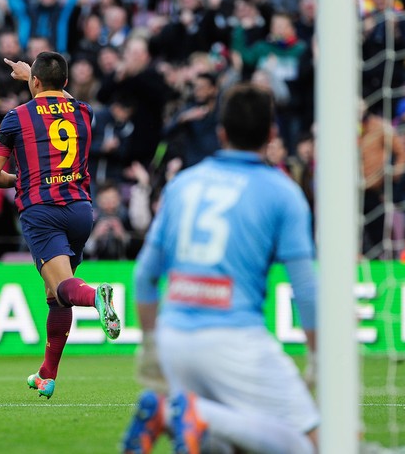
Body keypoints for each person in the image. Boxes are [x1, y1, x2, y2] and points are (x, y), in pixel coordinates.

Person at [121, 84, 319, 454]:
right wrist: (318, 355)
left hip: (175, 338)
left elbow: (145, 274)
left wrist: (151, 344)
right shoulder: (282, 191)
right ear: (273, 134)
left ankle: (191, 416)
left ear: (221, 133)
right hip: (234, 339)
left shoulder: (184, 183)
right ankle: (176, 413)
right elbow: (306, 290)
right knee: (312, 445)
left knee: (222, 447)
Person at [0, 51, 121, 399]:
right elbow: (63, 99)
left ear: (34, 83)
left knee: (65, 288)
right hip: (80, 210)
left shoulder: (16, 118)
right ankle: (47, 374)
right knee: (56, 295)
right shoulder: (83, 111)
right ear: (67, 83)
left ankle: (96, 296)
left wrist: (25, 177)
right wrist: (37, 77)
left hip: (42, 210)